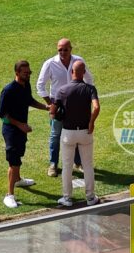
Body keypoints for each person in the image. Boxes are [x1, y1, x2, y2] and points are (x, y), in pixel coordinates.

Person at [36, 38, 94, 177]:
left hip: (76, 105)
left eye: (65, 49)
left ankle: (78, 162)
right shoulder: (50, 63)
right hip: (59, 106)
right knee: (55, 135)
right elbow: (40, 85)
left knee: (76, 132)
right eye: (60, 50)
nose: (62, 52)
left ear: (71, 49)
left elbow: (89, 79)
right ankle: (53, 164)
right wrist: (50, 104)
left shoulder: (78, 61)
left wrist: (85, 95)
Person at [0, 60, 48, 208]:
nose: (28, 75)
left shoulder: (26, 85)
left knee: (18, 157)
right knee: (13, 162)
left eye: (29, 72)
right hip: (11, 131)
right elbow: (1, 114)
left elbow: (29, 101)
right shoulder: (8, 90)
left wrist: (46, 107)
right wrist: (20, 125)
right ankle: (9, 195)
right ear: (17, 73)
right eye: (25, 73)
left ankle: (18, 179)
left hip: (21, 129)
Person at [51, 60, 100, 208]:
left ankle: (67, 198)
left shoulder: (62, 90)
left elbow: (52, 112)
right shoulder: (90, 89)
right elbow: (96, 107)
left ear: (72, 72)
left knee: (67, 166)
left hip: (68, 133)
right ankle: (90, 197)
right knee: (88, 165)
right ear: (83, 73)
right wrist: (91, 122)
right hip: (85, 132)